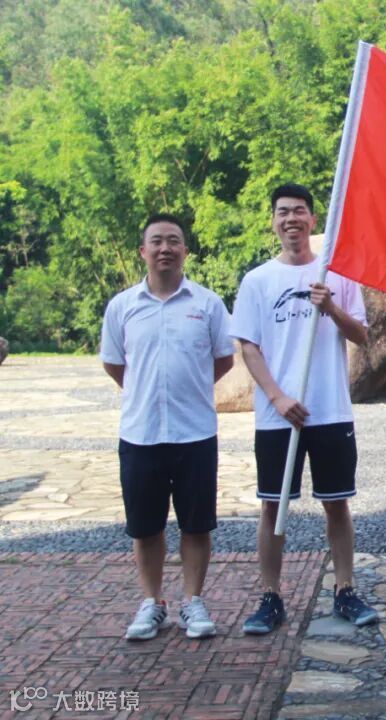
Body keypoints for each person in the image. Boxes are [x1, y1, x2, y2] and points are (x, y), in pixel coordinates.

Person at [231, 183, 377, 634]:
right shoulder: (257, 280)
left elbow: (361, 335)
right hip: (278, 415)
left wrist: (330, 306)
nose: (290, 219)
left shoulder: (338, 274)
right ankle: (270, 596)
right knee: (272, 507)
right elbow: (249, 346)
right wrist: (277, 397)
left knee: (337, 504)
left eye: (299, 211)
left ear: (312, 220)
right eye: (282, 212)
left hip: (330, 410)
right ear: (273, 221)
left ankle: (345, 590)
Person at [101, 213, 235, 641]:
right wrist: (146, 391)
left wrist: (187, 389)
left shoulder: (207, 304)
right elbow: (115, 364)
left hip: (195, 432)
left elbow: (224, 359)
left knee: (196, 524)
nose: (165, 248)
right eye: (156, 241)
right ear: (143, 251)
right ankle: (152, 602)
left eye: (173, 241)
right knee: (146, 526)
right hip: (140, 433)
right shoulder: (122, 306)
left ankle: (193, 600)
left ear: (185, 251)